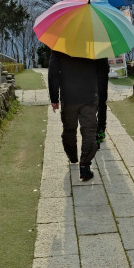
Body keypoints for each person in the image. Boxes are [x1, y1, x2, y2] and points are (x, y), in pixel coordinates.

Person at [48, 50, 99, 181]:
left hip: (68, 97)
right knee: (89, 130)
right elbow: (103, 69)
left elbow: (53, 73)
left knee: (69, 129)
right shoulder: (94, 43)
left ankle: (72, 156)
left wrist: (54, 98)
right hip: (89, 95)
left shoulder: (59, 46)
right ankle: (85, 165)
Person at [96, 58, 110, 146]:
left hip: (100, 71)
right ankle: (98, 129)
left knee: (101, 101)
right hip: (90, 71)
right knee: (100, 103)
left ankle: (100, 129)